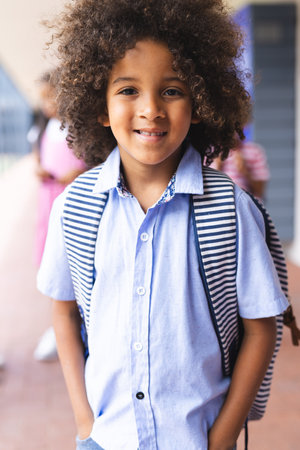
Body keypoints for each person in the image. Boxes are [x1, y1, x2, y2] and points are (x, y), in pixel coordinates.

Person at [37, 0, 289, 448]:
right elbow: (64, 308)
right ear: (100, 105)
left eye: (172, 91)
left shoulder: (230, 210)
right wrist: (84, 421)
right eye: (128, 90)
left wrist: (222, 438)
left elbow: (261, 327)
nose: (151, 109)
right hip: (104, 438)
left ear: (200, 103)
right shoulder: (75, 206)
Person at [33, 72, 86, 361]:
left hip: (70, 200)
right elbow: (40, 157)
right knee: (51, 260)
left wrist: (78, 172)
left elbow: (89, 162)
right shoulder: (48, 127)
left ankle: (73, 324)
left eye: (51, 97)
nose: (46, 104)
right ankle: (57, 325)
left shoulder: (77, 129)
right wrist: (40, 168)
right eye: (43, 99)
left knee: (73, 259)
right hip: (49, 201)